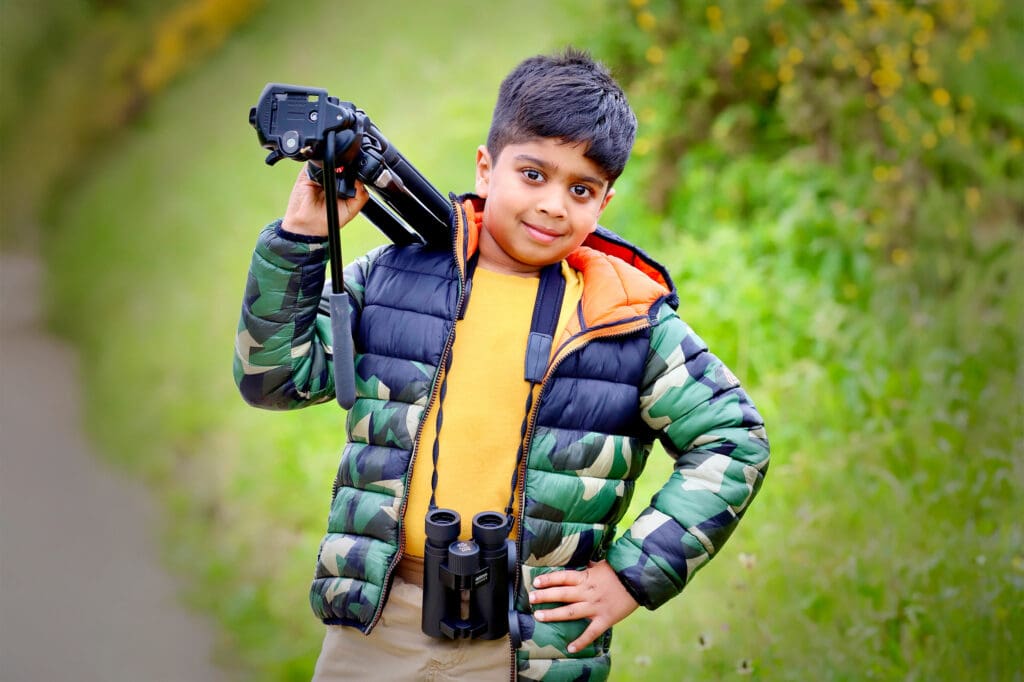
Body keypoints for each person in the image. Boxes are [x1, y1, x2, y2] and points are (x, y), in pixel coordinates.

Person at [234, 48, 769, 681]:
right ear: (487, 169)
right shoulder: (393, 278)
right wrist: (301, 236)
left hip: (527, 649)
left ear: (605, 203)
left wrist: (630, 577)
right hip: (378, 624)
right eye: (534, 174)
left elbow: (734, 439)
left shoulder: (622, 318)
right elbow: (274, 379)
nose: (553, 205)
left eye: (581, 189)